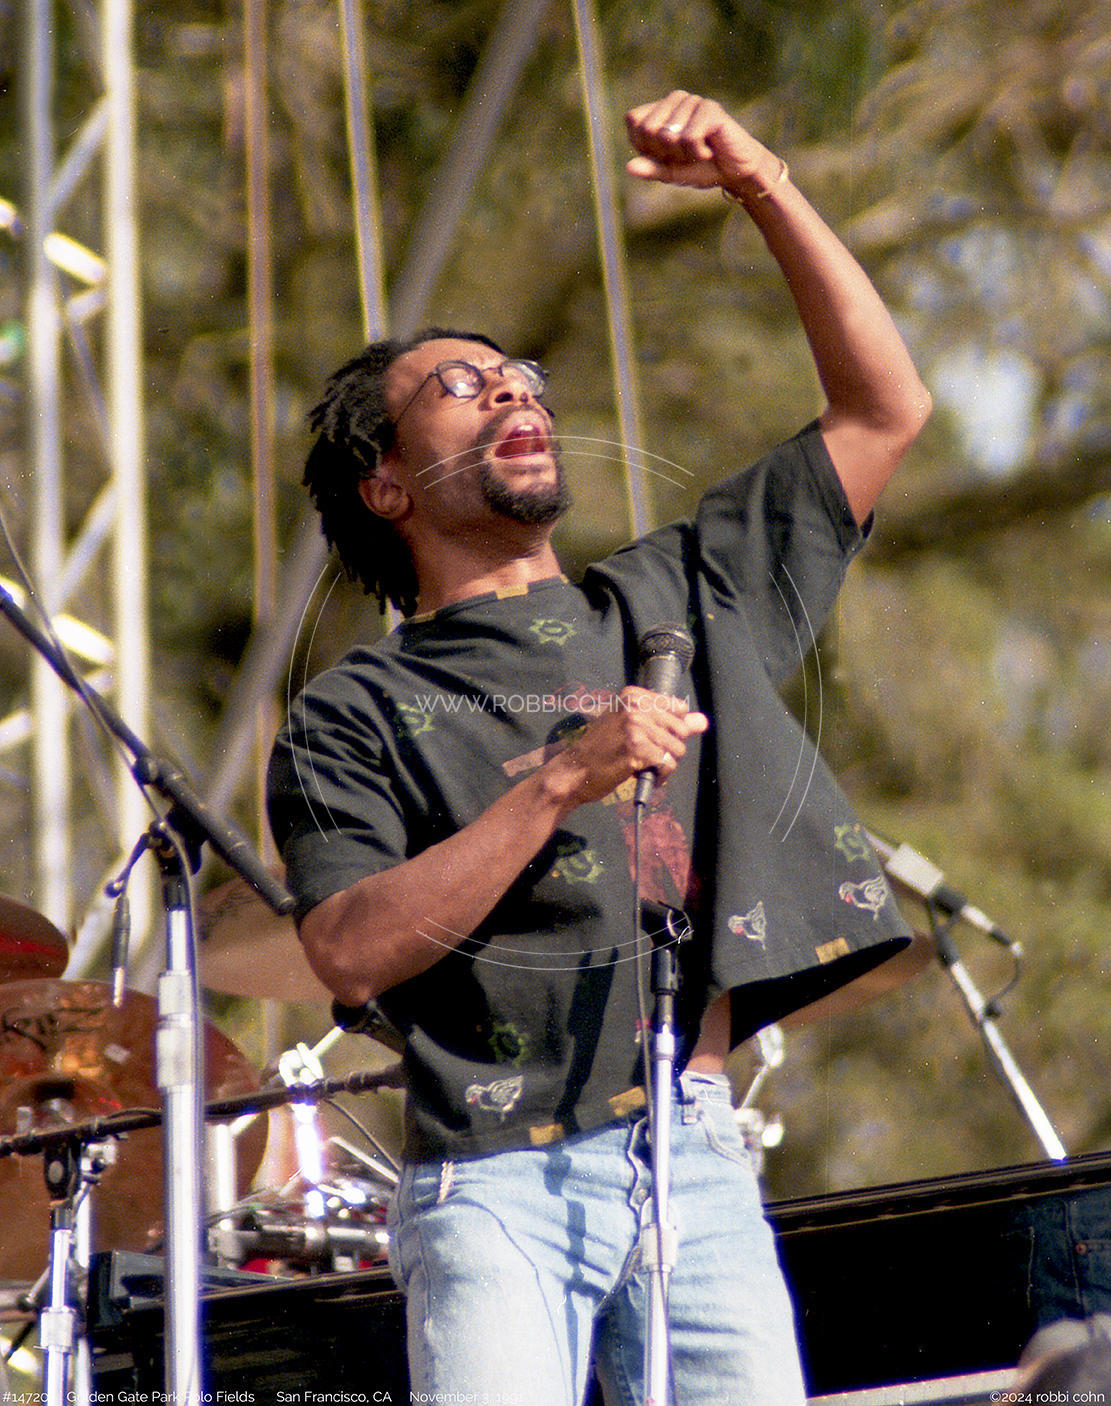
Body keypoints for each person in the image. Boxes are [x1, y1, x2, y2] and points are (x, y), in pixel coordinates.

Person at [267, 90, 932, 1406]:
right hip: (491, 1179)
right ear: (387, 483)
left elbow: (883, 410)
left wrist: (760, 181)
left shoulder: (676, 595)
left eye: (521, 377)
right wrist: (559, 783)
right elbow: (345, 949)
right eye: (460, 386)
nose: (513, 389)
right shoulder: (351, 710)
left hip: (696, 1149)